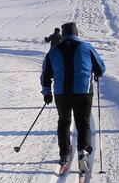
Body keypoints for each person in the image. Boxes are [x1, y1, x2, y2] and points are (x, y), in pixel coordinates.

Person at [40, 22, 106, 172]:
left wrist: (47, 93)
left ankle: (64, 154)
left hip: (61, 93)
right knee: (83, 122)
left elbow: (45, 75)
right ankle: (83, 153)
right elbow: (101, 69)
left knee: (64, 121)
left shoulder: (54, 51)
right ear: (76, 33)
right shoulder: (86, 47)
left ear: (63, 34)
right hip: (83, 92)